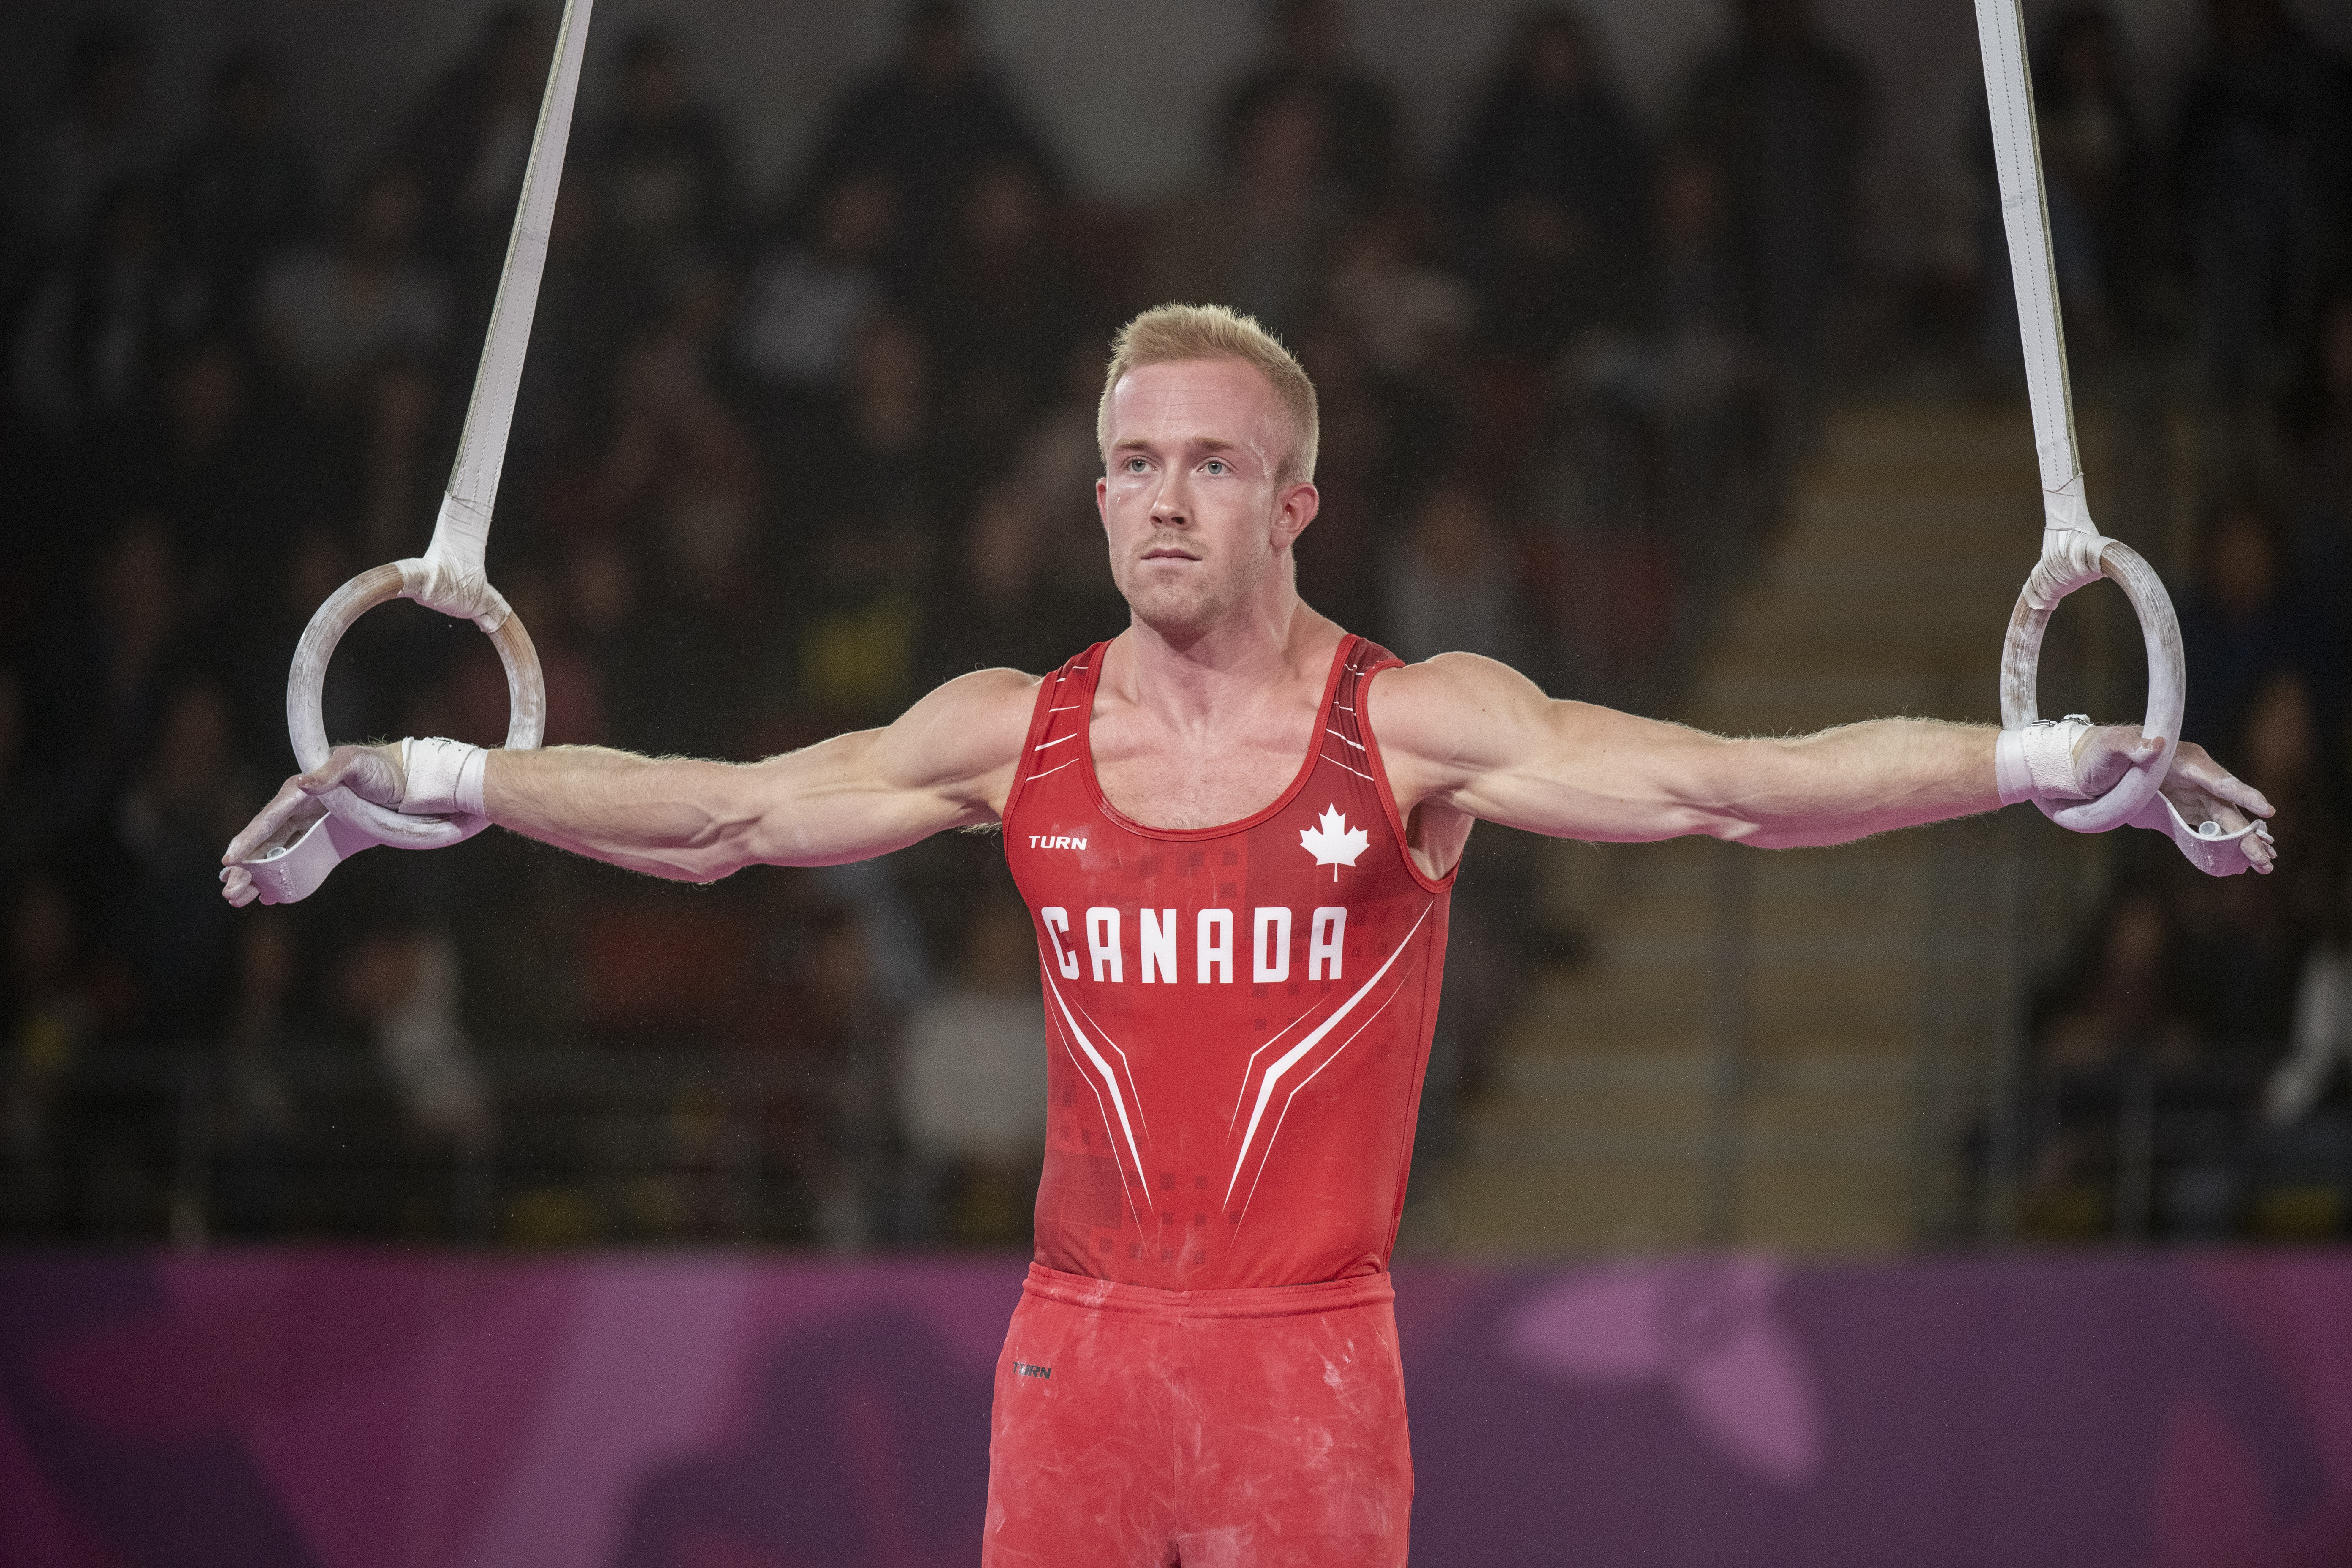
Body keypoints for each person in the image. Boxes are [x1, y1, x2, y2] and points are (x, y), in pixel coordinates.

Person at [220, 303, 2274, 1563]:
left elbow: (1731, 780)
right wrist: (438, 781)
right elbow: (726, 817)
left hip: (1311, 1359)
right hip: (1075, 1353)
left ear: (1300, 502)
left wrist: (2041, 756)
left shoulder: (1413, 726)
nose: (1163, 499)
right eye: (1132, 462)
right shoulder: (1005, 733)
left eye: (1212, 463)